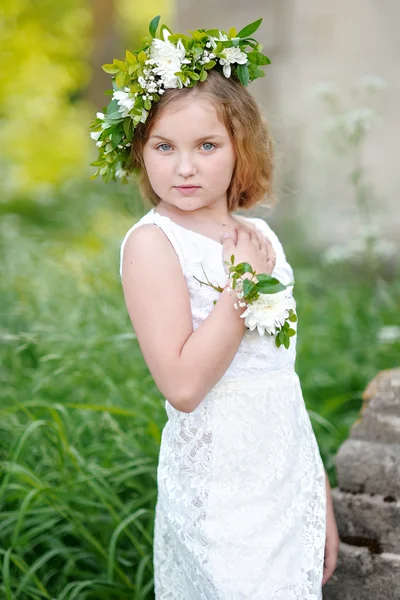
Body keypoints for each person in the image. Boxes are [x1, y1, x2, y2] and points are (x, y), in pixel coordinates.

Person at [91, 15, 339, 599]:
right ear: (139, 150)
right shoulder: (154, 245)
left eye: (206, 145)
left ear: (239, 148)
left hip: (285, 479)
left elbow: (281, 380)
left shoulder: (263, 240)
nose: (184, 167)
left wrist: (317, 495)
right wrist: (242, 291)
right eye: (164, 146)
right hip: (220, 493)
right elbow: (181, 386)